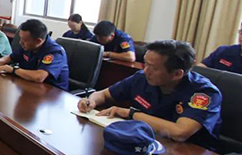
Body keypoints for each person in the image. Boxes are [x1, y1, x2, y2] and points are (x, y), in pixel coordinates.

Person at [78, 40, 222, 148]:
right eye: (145, 64)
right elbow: (104, 94)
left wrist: (131, 114)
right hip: (146, 142)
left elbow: (180, 133)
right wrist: (91, 101)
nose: (145, 71)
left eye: (153, 68)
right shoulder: (142, 78)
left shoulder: (204, 93)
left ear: (177, 74)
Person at [0, 19, 69, 90]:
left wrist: (13, 70)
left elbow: (39, 77)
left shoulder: (55, 52)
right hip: (30, 86)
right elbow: (11, 57)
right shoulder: (28, 46)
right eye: (21, 38)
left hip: (52, 94)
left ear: (38, 41)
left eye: (24, 40)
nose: (20, 42)